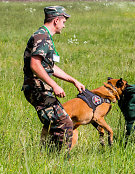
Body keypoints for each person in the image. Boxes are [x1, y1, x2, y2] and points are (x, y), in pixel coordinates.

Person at [22, 6, 85, 151]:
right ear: (56, 20)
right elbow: (35, 64)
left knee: (54, 124)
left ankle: (46, 156)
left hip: (39, 88)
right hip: (37, 88)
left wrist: (73, 80)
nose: (64, 25)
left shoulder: (44, 36)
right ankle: (61, 159)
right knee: (65, 123)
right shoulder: (42, 37)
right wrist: (54, 85)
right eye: (63, 21)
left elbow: (49, 67)